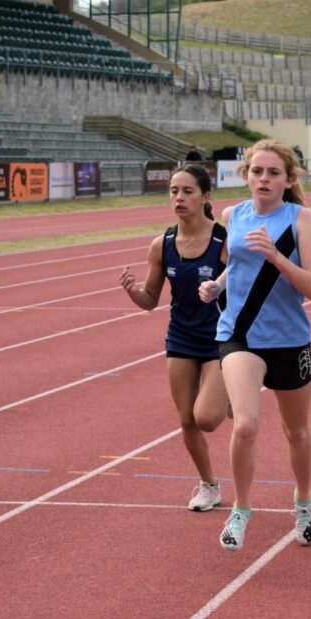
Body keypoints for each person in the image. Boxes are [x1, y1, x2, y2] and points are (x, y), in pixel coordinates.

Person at [199, 139, 311, 551]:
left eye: (273, 173)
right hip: (238, 334)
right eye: (257, 172)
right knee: (247, 424)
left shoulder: (302, 219)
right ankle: (241, 509)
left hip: (288, 338)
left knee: (297, 431)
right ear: (246, 176)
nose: (264, 179)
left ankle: (304, 500)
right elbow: (234, 264)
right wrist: (215, 285)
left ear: (288, 180)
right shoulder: (232, 214)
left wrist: (277, 257)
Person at [120, 164, 229, 512]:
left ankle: (229, 392)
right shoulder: (162, 244)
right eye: (173, 191)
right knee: (186, 419)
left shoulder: (223, 241)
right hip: (180, 338)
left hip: (219, 338)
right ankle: (209, 485)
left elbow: (244, 290)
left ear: (205, 196)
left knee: (207, 418)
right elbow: (150, 301)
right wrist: (133, 291)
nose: (179, 198)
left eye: (187, 191)